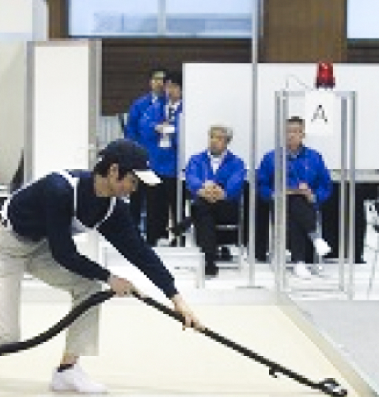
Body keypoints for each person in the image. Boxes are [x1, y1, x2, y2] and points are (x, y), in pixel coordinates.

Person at [0, 139, 199, 394]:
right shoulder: (61, 188)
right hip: (2, 244)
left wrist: (176, 298)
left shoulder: (112, 208)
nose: (134, 189)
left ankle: (67, 370)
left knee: (89, 289)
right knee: (5, 334)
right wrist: (110, 277)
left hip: (39, 246)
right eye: (133, 181)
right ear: (114, 171)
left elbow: (139, 252)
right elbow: (64, 253)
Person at [257, 116, 332, 279]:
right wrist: (274, 194)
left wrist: (313, 195)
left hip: (307, 203)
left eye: (296, 131)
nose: (291, 135)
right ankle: (313, 240)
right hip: (280, 203)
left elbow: (325, 185)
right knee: (292, 203)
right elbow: (262, 184)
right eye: (288, 131)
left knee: (297, 204)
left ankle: (297, 259)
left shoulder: (314, 157)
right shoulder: (271, 158)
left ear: (303, 134)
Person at [182, 125, 246, 278]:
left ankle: (188, 225)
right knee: (203, 208)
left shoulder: (237, 162)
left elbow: (235, 185)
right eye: (212, 137)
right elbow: (191, 179)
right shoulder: (196, 159)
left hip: (226, 206)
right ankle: (209, 259)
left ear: (227, 142)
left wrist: (220, 193)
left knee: (201, 208)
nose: (214, 141)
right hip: (204, 202)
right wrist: (203, 189)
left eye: (219, 138)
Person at [139, 70, 183, 247]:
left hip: (176, 164)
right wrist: (155, 127)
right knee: (154, 204)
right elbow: (143, 125)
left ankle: (179, 238)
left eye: (174, 87)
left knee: (177, 203)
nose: (170, 90)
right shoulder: (157, 107)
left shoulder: (187, 108)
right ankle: (154, 238)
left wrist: (174, 129)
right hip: (156, 161)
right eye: (167, 86)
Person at [124, 67, 167, 230]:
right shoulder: (140, 104)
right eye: (155, 79)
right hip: (141, 156)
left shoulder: (169, 104)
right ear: (150, 82)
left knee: (157, 200)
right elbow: (131, 130)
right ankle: (133, 230)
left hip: (162, 159)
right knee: (136, 195)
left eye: (162, 80)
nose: (159, 83)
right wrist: (135, 153)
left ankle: (156, 234)